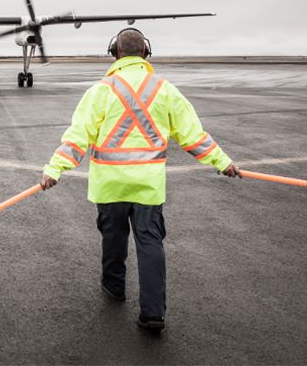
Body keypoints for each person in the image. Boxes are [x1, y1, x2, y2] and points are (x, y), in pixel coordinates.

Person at [39, 27, 241, 333]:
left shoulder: (100, 91)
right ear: (145, 51)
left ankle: (114, 287)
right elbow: (193, 137)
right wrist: (222, 162)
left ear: (115, 53)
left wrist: (55, 169)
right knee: (150, 244)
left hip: (110, 184)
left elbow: (77, 137)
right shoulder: (165, 90)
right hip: (148, 186)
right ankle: (153, 314)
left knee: (113, 238)